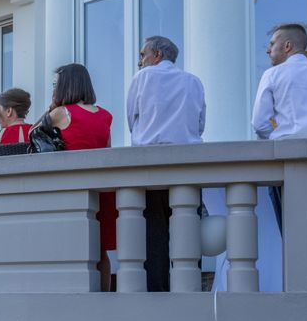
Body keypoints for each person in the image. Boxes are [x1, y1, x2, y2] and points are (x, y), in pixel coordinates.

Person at [126, 36, 206, 292]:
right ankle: (189, 289)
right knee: (188, 232)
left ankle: (158, 293)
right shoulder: (194, 81)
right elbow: (200, 123)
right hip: (188, 165)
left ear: (157, 54)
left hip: (151, 165)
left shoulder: (143, 78)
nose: (140, 62)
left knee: (154, 235)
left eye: (143, 55)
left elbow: (132, 119)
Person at [249, 23, 307, 292]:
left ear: (287, 46)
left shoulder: (273, 75)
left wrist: (280, 128)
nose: (268, 50)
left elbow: (260, 123)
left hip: (288, 159)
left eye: (272, 44)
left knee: (293, 231)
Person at [47, 63, 114, 291]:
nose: (54, 88)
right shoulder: (105, 115)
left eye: (56, 84)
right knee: (99, 250)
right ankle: (103, 298)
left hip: (71, 187)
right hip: (101, 189)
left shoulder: (60, 113)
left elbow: (33, 137)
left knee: (70, 246)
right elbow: (107, 149)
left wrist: (51, 107)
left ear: (65, 85)